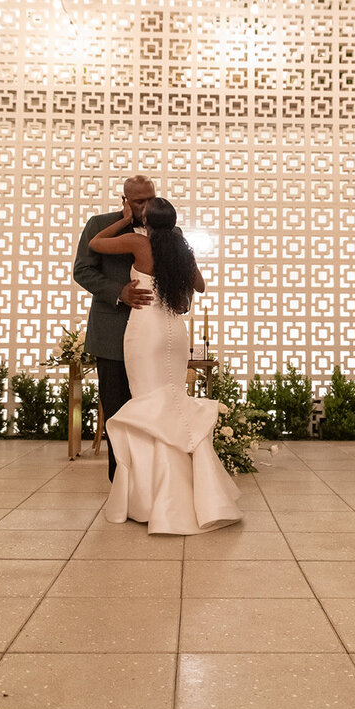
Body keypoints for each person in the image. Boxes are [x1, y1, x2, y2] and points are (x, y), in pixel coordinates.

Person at [87, 196, 242, 534]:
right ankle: (191, 493)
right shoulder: (181, 249)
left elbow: (95, 243)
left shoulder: (138, 241)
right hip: (174, 332)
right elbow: (199, 286)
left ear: (147, 219)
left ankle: (154, 495)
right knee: (173, 403)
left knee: (148, 406)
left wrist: (123, 218)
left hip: (145, 332)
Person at [73, 175, 158, 481]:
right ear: (124, 200)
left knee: (151, 408)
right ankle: (120, 478)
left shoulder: (167, 227)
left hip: (153, 334)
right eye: (139, 201)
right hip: (111, 333)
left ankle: (151, 477)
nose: (146, 206)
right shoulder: (99, 225)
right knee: (117, 409)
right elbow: (82, 271)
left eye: (151, 198)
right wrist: (119, 292)